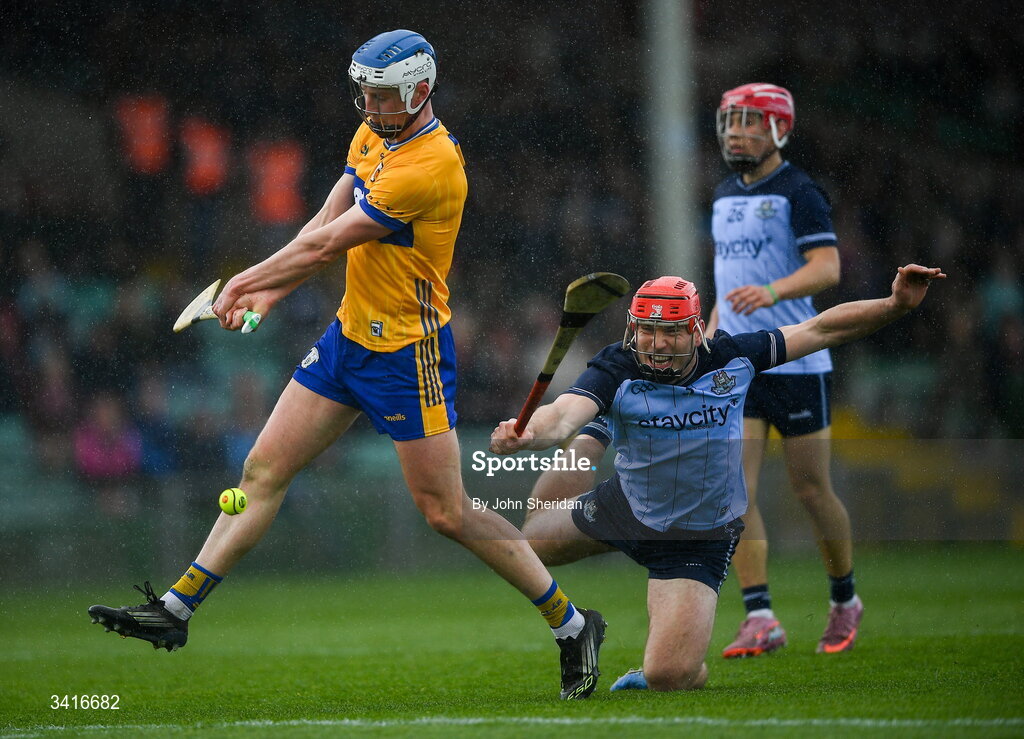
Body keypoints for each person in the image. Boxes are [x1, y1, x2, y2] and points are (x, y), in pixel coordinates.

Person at [88, 30, 605, 701]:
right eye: (363, 89)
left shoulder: (433, 165)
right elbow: (323, 221)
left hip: (408, 356)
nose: (367, 103)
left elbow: (333, 241)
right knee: (262, 471)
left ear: (420, 91)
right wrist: (268, 294)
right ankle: (176, 609)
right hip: (347, 341)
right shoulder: (373, 136)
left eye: (381, 93)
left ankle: (571, 624)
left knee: (447, 513)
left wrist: (240, 279)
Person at [491, 265, 943, 691]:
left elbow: (821, 329)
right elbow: (563, 413)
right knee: (529, 545)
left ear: (695, 332)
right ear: (633, 328)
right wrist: (532, 432)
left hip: (696, 535)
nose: (657, 344)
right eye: (647, 330)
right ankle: (600, 430)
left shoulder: (732, 356)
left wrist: (895, 304)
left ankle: (678, 661)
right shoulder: (618, 365)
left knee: (669, 676)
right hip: (626, 505)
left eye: (669, 333)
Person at [709, 83, 855, 657]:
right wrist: (713, 324)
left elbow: (827, 268)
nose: (735, 132)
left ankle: (845, 599)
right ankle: (759, 616)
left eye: (748, 122)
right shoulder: (722, 194)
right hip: (740, 364)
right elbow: (727, 281)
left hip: (796, 358)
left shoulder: (799, 190)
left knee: (811, 489)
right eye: (729, 122)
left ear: (778, 130)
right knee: (733, 492)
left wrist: (769, 291)